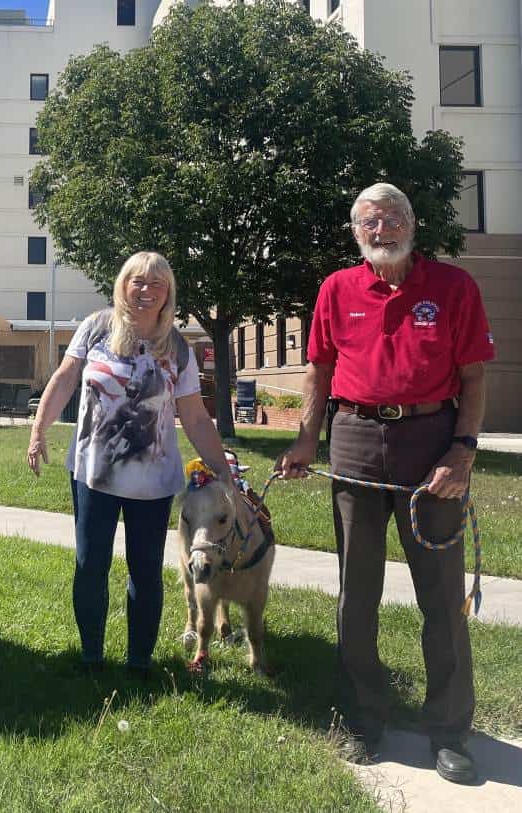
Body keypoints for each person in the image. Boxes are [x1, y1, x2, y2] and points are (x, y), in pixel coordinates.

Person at [277, 183, 495, 783]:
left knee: (442, 595)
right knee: (358, 589)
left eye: (393, 218)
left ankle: (449, 729)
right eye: (370, 222)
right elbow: (319, 371)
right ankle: (364, 715)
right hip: (353, 438)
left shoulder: (454, 288)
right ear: (356, 233)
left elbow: (473, 379)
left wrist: (463, 451)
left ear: (412, 224)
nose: (383, 229)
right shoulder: (336, 289)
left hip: (433, 443)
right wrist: (304, 439)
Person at [27, 251, 234, 673]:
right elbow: (65, 378)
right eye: (137, 281)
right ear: (123, 285)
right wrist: (38, 430)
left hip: (152, 483)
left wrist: (225, 471)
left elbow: (193, 415)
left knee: (145, 572)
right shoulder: (96, 327)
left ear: (168, 293)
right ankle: (91, 657)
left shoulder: (178, 348)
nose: (146, 290)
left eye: (156, 284)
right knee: (90, 565)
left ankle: (139, 662)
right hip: (93, 474)